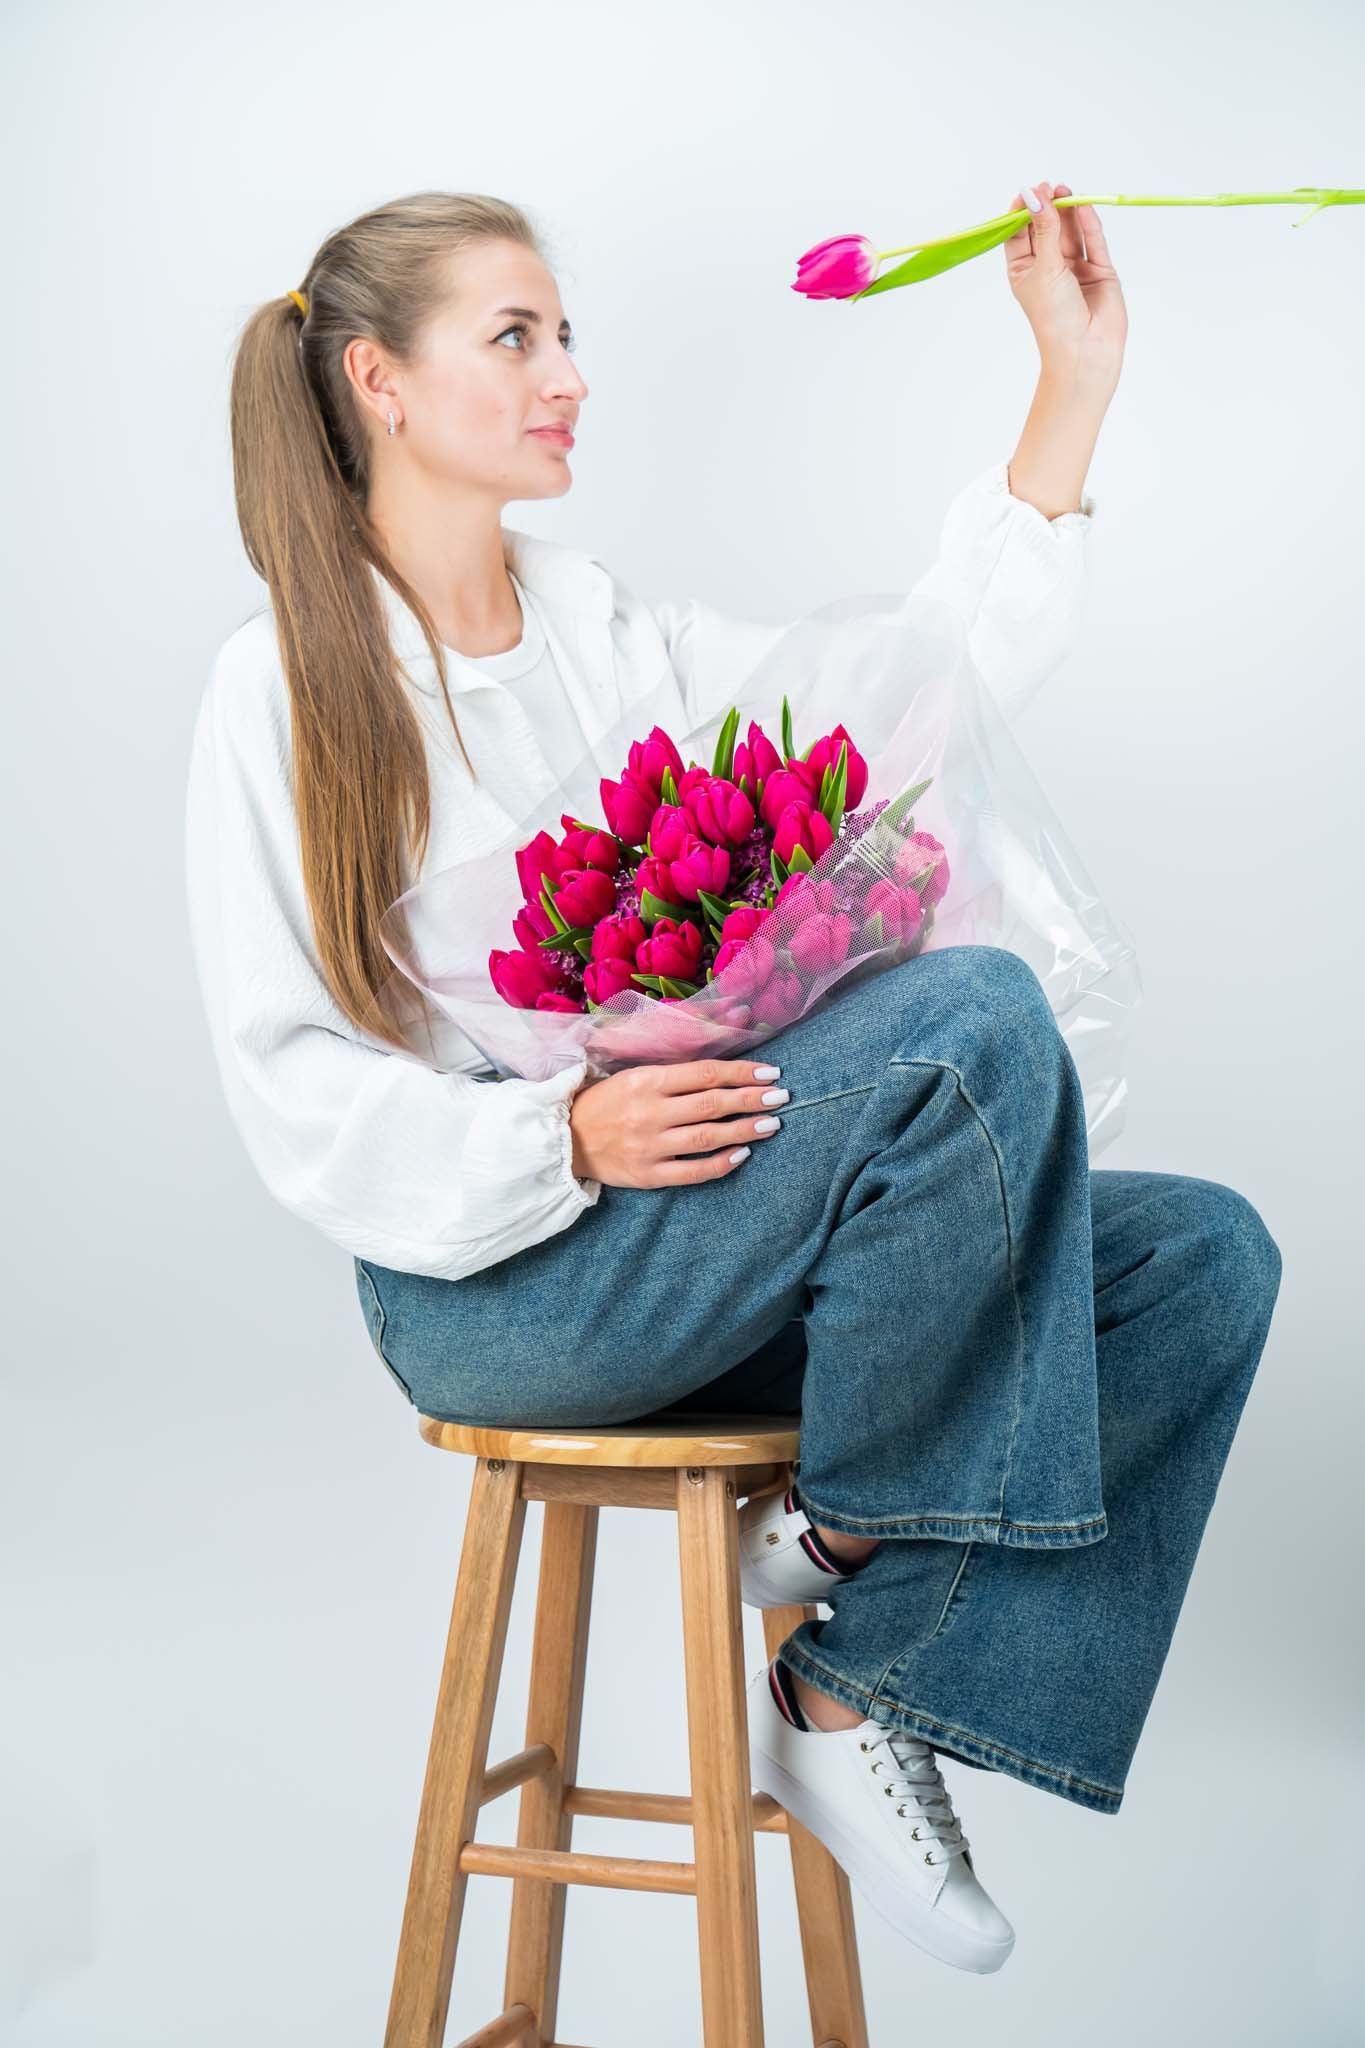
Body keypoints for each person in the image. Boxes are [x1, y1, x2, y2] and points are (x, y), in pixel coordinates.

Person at [185, 184, 1283, 1976]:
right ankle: (848, 1582)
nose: (570, 380)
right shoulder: (283, 688)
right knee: (970, 1018)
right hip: (503, 1286)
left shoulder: (600, 628)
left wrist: (1067, 385)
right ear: (378, 381)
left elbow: (917, 698)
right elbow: (288, 1073)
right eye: (518, 338)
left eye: (566, 337)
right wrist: (558, 1128)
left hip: (716, 1232)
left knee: (1199, 1260)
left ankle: (849, 1655)